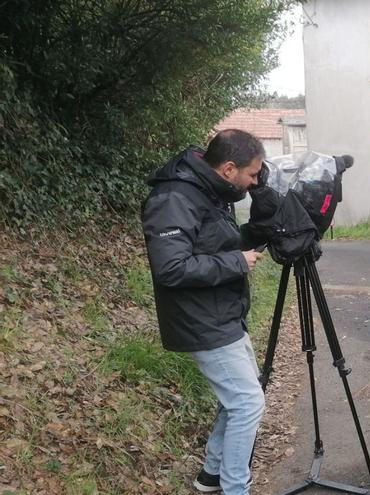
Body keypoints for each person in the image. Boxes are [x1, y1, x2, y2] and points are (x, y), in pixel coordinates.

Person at [141, 129, 266, 494]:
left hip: (224, 313)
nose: (255, 181)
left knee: (239, 398)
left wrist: (262, 218)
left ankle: (211, 475)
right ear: (228, 168)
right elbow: (171, 268)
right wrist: (236, 262)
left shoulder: (211, 190)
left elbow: (218, 242)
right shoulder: (173, 198)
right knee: (247, 402)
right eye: (252, 174)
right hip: (201, 320)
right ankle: (235, 488)